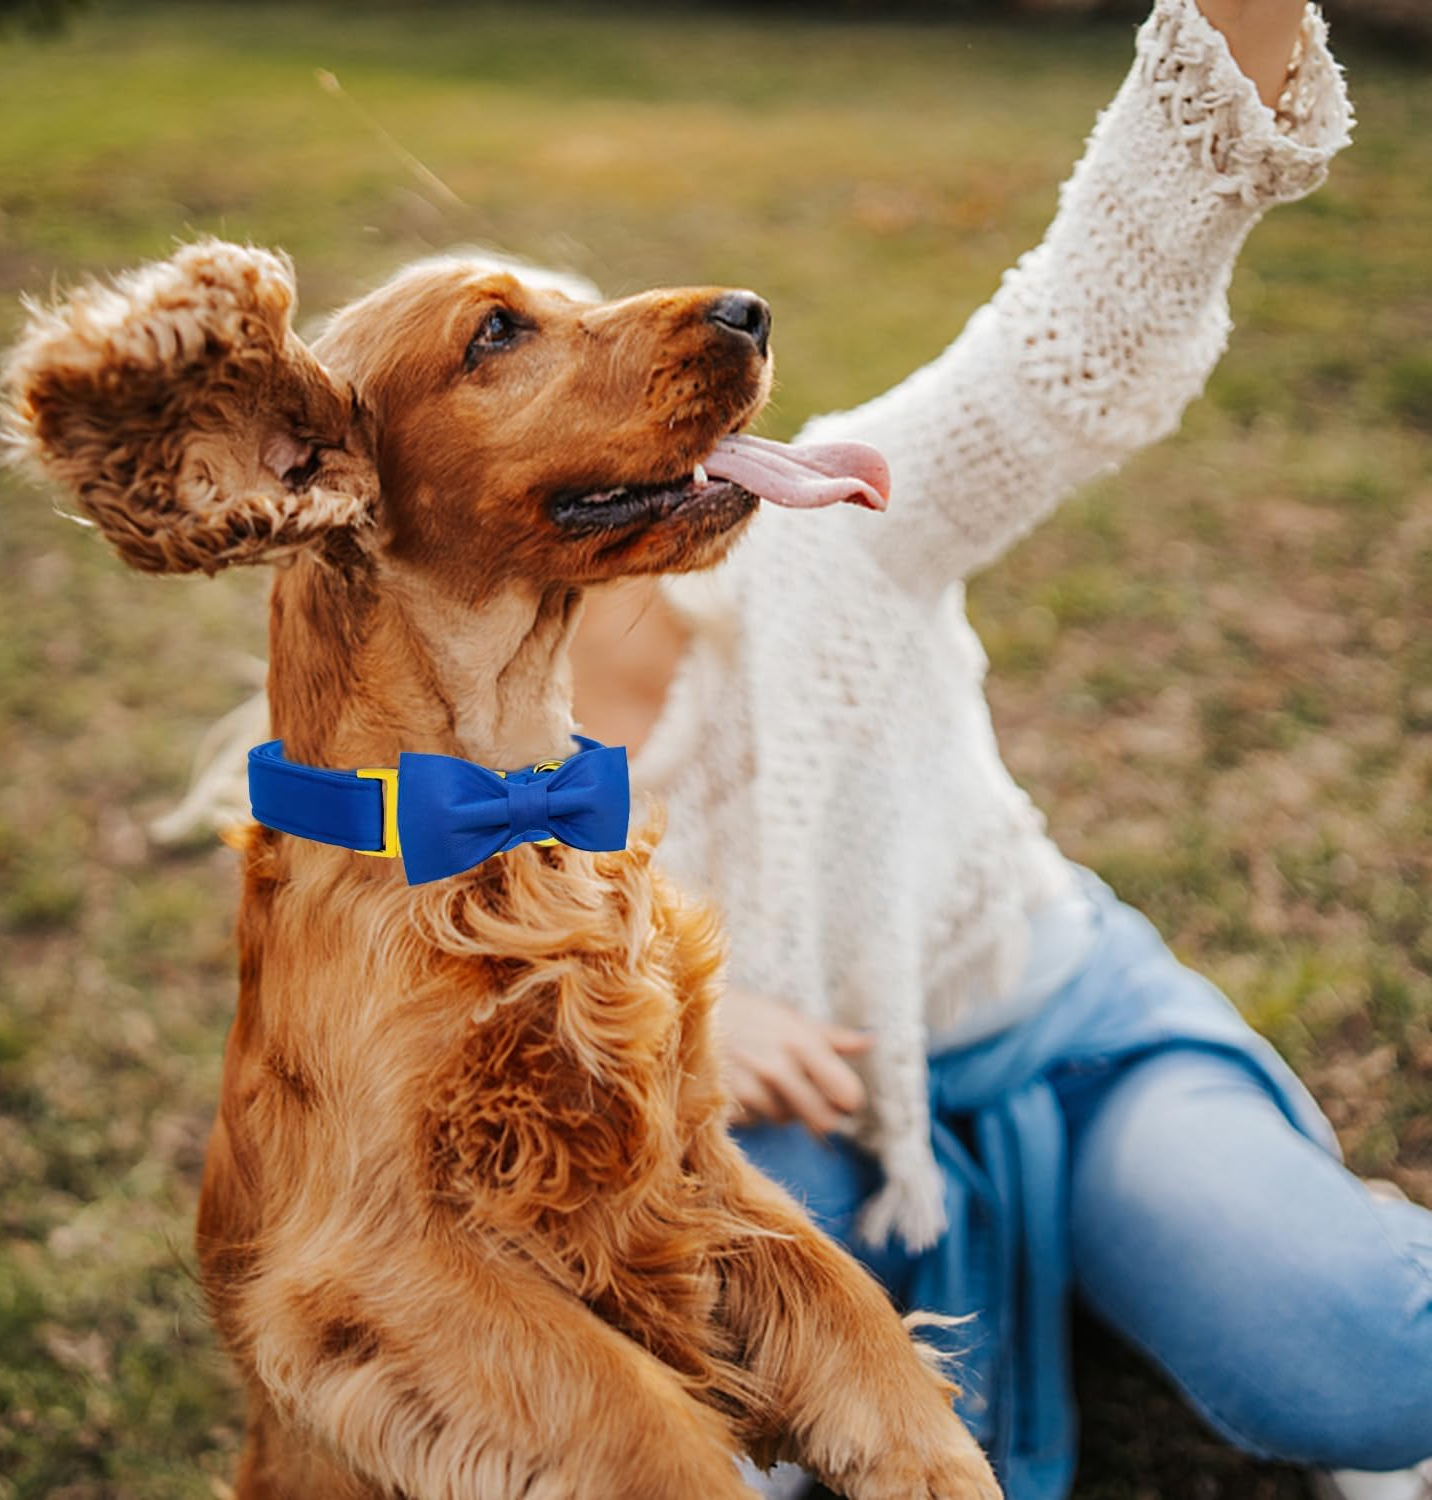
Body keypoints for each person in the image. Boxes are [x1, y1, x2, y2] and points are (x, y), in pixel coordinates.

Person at [564, 3, 1432, 1498]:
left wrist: (1236, 33)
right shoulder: (439, 780)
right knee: (708, 1439)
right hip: (785, 1138)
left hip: (1058, 1029)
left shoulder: (822, 530)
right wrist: (674, 1024)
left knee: (1361, 1364)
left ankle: (1210, 1230)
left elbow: (1074, 344)